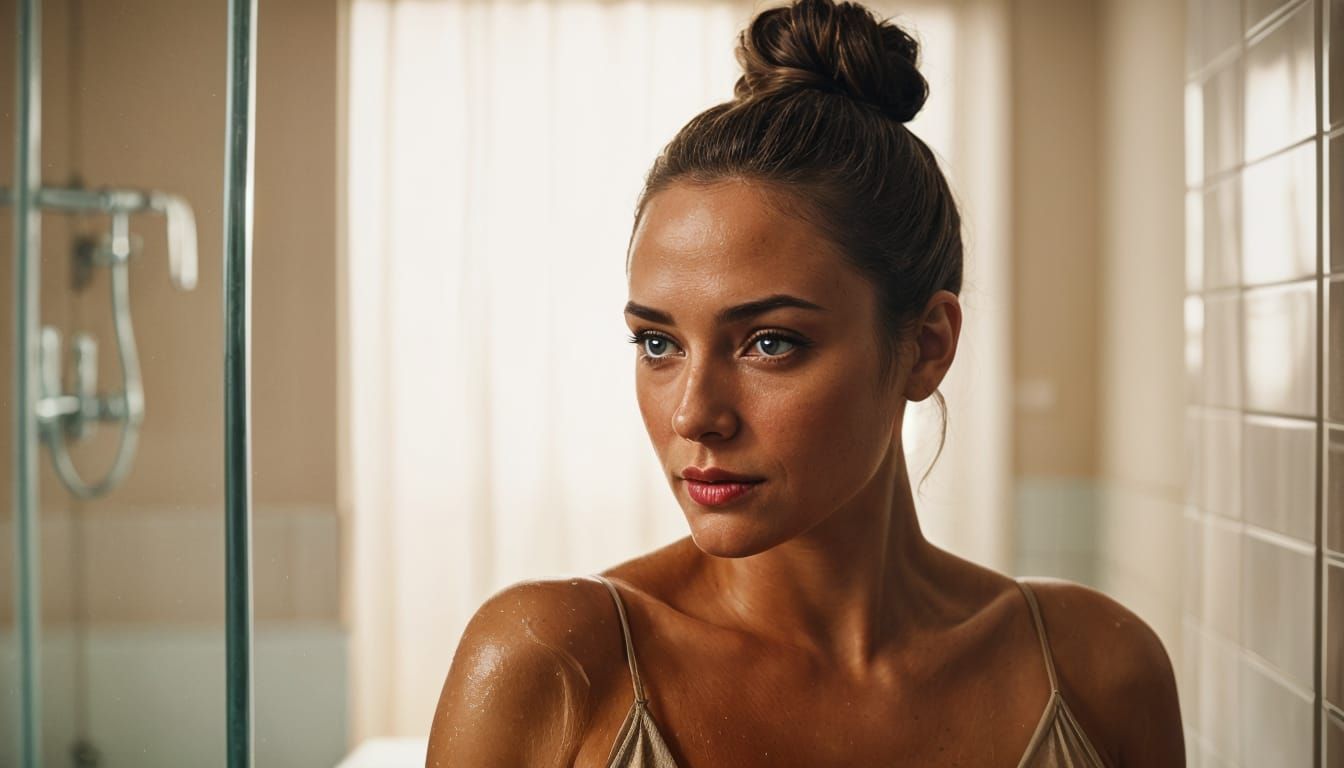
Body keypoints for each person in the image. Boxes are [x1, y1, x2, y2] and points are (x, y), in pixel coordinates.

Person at [427, 0, 1183, 764]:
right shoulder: (551, 664)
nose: (695, 415)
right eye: (658, 342)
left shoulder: (1100, 671)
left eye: (768, 342)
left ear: (925, 347)